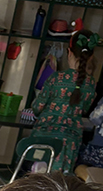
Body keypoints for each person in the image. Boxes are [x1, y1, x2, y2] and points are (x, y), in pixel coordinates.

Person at [32, 30, 97, 173]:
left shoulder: (56, 78)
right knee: (60, 178)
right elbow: (85, 108)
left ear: (69, 52)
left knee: (39, 173)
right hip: (70, 140)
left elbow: (38, 106)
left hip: (44, 136)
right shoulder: (91, 83)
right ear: (91, 56)